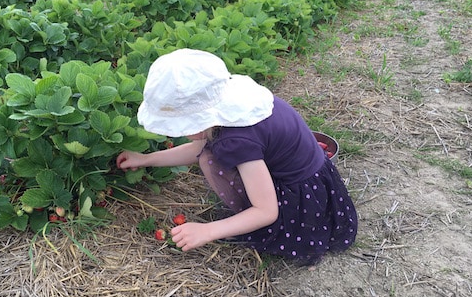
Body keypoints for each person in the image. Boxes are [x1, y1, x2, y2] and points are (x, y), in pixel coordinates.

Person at [116, 48, 357, 265]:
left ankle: (247, 218)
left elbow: (267, 211)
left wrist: (208, 230)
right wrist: (146, 159)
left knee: (210, 160)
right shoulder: (238, 107)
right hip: (314, 173)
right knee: (209, 152)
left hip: (302, 199)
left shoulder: (236, 140)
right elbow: (198, 146)